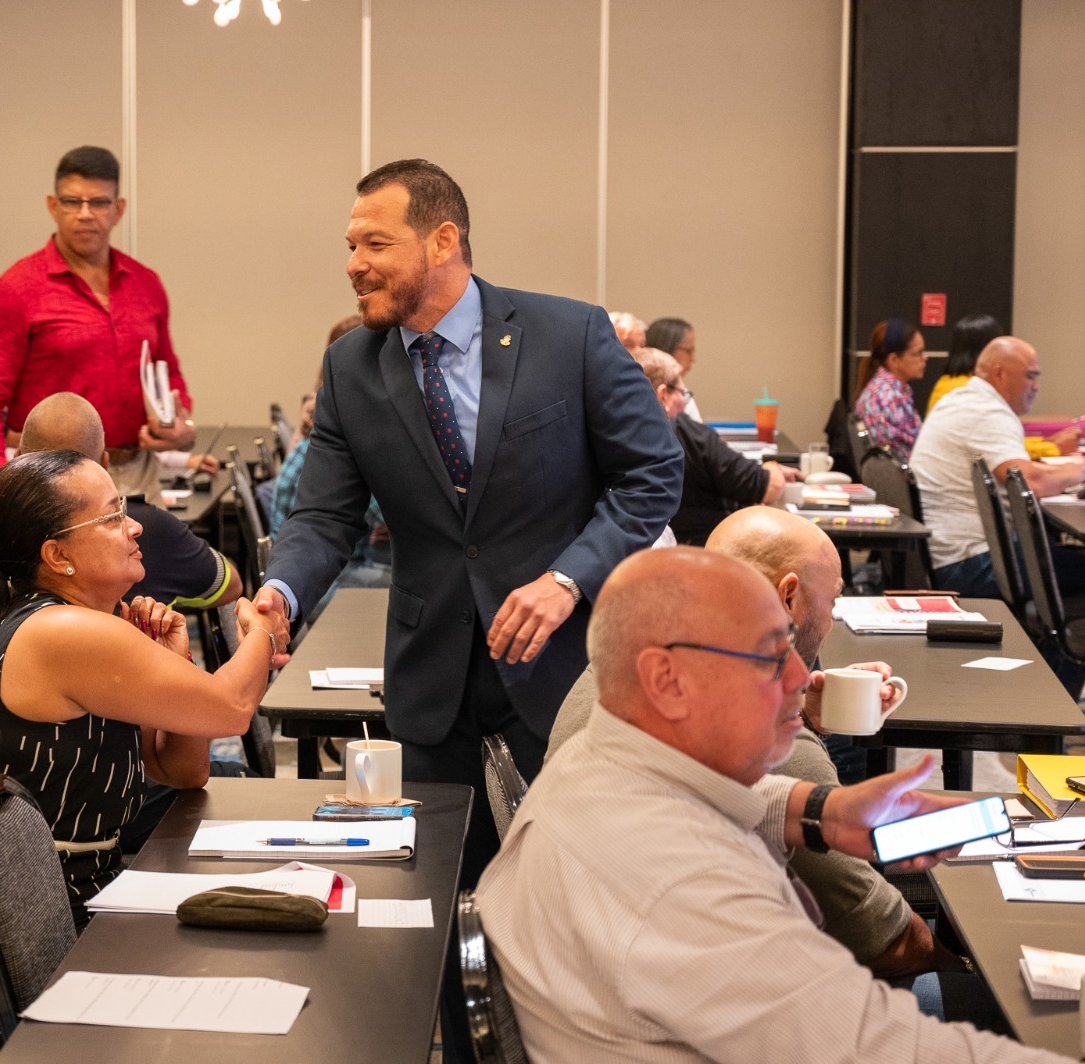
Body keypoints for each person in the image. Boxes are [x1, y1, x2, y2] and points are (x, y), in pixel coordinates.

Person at [257, 159, 682, 899]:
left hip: (566, 671)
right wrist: (280, 593)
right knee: (431, 903)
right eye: (351, 246)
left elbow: (652, 476)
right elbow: (324, 515)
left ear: (442, 240)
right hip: (431, 684)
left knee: (574, 895)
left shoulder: (567, 334)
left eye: (375, 245)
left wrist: (566, 579)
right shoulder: (351, 366)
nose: (353, 265)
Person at [477, 547, 1069, 1063]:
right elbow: (889, 1048)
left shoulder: (595, 760)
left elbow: (688, 794)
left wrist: (820, 811)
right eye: (767, 658)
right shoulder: (693, 888)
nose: (799, 678)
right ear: (667, 679)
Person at [0, 449, 274, 926]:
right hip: (13, 921)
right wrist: (264, 631)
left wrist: (178, 662)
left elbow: (180, 771)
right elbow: (232, 708)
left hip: (66, 891)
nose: (135, 527)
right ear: (57, 555)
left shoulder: (78, 620)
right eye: (112, 517)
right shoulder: (62, 631)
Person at [0, 145, 199, 498]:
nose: (85, 214)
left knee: (147, 555)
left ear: (118, 210)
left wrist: (182, 426)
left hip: (138, 474)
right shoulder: (16, 289)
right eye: (73, 201)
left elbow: (167, 372)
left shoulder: (146, 285)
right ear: (53, 207)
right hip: (51, 481)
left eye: (99, 202)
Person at [0, 391, 240, 642]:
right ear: (104, 464)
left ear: (19, 460)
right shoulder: (151, 527)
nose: (130, 528)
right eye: (113, 518)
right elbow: (228, 586)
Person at [911, 336, 1085, 600]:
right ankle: (1058, 639)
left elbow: (1024, 472)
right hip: (971, 566)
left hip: (946, 559)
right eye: (1030, 376)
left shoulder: (960, 399)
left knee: (1050, 548)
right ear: (999, 374)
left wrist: (1082, 468)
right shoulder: (987, 411)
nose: (1036, 386)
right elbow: (1030, 482)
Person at [270, 316, 391, 605]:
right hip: (316, 576)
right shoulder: (347, 421)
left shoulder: (320, 406)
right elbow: (385, 513)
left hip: (312, 562)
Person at [633, 348, 788, 545]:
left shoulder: (622, 437)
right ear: (663, 394)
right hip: (712, 548)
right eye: (683, 393)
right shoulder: (684, 432)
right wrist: (772, 467)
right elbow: (767, 486)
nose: (684, 403)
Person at [929, 314, 1081, 458]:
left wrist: (1045, 443)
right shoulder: (972, 393)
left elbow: (996, 441)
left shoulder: (947, 383)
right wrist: (1053, 448)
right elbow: (999, 449)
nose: (1035, 387)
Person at [854, 318, 927, 462]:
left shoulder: (887, 388)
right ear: (894, 360)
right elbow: (908, 454)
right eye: (917, 353)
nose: (925, 358)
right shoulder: (888, 397)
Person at [646, 316, 702, 421]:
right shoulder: (680, 398)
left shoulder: (685, 395)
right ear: (666, 350)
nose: (693, 359)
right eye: (688, 351)